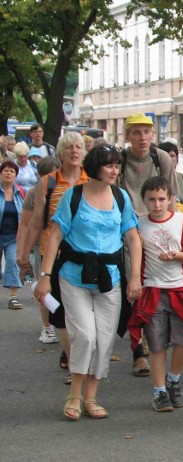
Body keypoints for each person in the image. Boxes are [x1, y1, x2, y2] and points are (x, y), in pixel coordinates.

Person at [34, 145, 142, 421]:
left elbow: (132, 238)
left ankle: (92, 398)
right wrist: (45, 277)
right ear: (95, 167)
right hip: (73, 275)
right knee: (85, 335)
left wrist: (136, 278)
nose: (115, 170)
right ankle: (74, 395)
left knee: (105, 339)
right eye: (109, 165)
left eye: (117, 165)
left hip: (110, 277)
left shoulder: (120, 198)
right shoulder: (74, 196)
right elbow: (56, 236)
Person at [129, 176, 183, 412]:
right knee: (156, 344)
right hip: (152, 290)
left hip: (179, 289)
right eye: (151, 199)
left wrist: (176, 255)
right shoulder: (138, 225)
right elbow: (133, 253)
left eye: (162, 199)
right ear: (144, 200)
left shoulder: (182, 221)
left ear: (171, 199)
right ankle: (159, 391)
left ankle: (173, 380)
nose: (157, 204)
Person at [18, 132, 90, 385]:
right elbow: (36, 221)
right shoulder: (48, 182)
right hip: (52, 254)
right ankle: (73, 362)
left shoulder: (91, 180)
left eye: (78, 147)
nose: (74, 151)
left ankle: (79, 357)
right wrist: (23, 255)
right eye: (69, 147)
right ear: (60, 153)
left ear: (83, 151)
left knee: (83, 312)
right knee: (58, 310)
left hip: (85, 254)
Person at [118, 114, 179, 377]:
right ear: (128, 136)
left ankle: (155, 344)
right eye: (136, 133)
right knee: (135, 291)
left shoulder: (161, 158)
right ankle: (138, 351)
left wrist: (172, 230)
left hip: (156, 231)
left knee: (157, 290)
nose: (142, 138)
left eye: (146, 132)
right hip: (128, 231)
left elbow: (172, 197)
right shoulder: (119, 161)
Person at [16, 155, 61, 343]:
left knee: (50, 287)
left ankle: (50, 327)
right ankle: (47, 327)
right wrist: (22, 254)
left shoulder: (70, 187)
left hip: (62, 246)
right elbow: (26, 224)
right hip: (42, 246)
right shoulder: (35, 193)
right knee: (44, 287)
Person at [0, 161, 26, 310]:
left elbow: (27, 214)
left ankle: (13, 297)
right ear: (0, 173)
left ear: (16, 175)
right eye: (6, 171)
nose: (9, 173)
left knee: (12, 263)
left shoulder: (21, 192)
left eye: (12, 171)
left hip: (13, 236)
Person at [157, 141, 183, 221]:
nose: (169, 159)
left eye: (172, 156)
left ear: (177, 159)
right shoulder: (153, 180)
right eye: (165, 155)